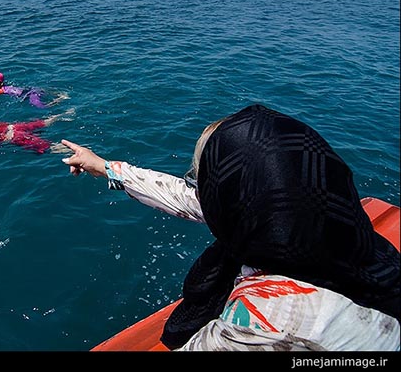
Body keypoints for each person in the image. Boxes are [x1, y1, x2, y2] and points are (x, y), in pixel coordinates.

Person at [61, 104, 400, 351]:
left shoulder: (269, 321)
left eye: (204, 179)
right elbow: (188, 198)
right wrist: (105, 167)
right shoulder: (308, 218)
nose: (199, 189)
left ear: (232, 192)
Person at [0, 72, 69, 108]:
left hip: (29, 95)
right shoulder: (4, 85)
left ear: (0, 83)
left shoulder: (1, 90)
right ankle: (59, 94)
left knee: (41, 107)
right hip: (32, 89)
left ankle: (60, 99)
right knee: (42, 91)